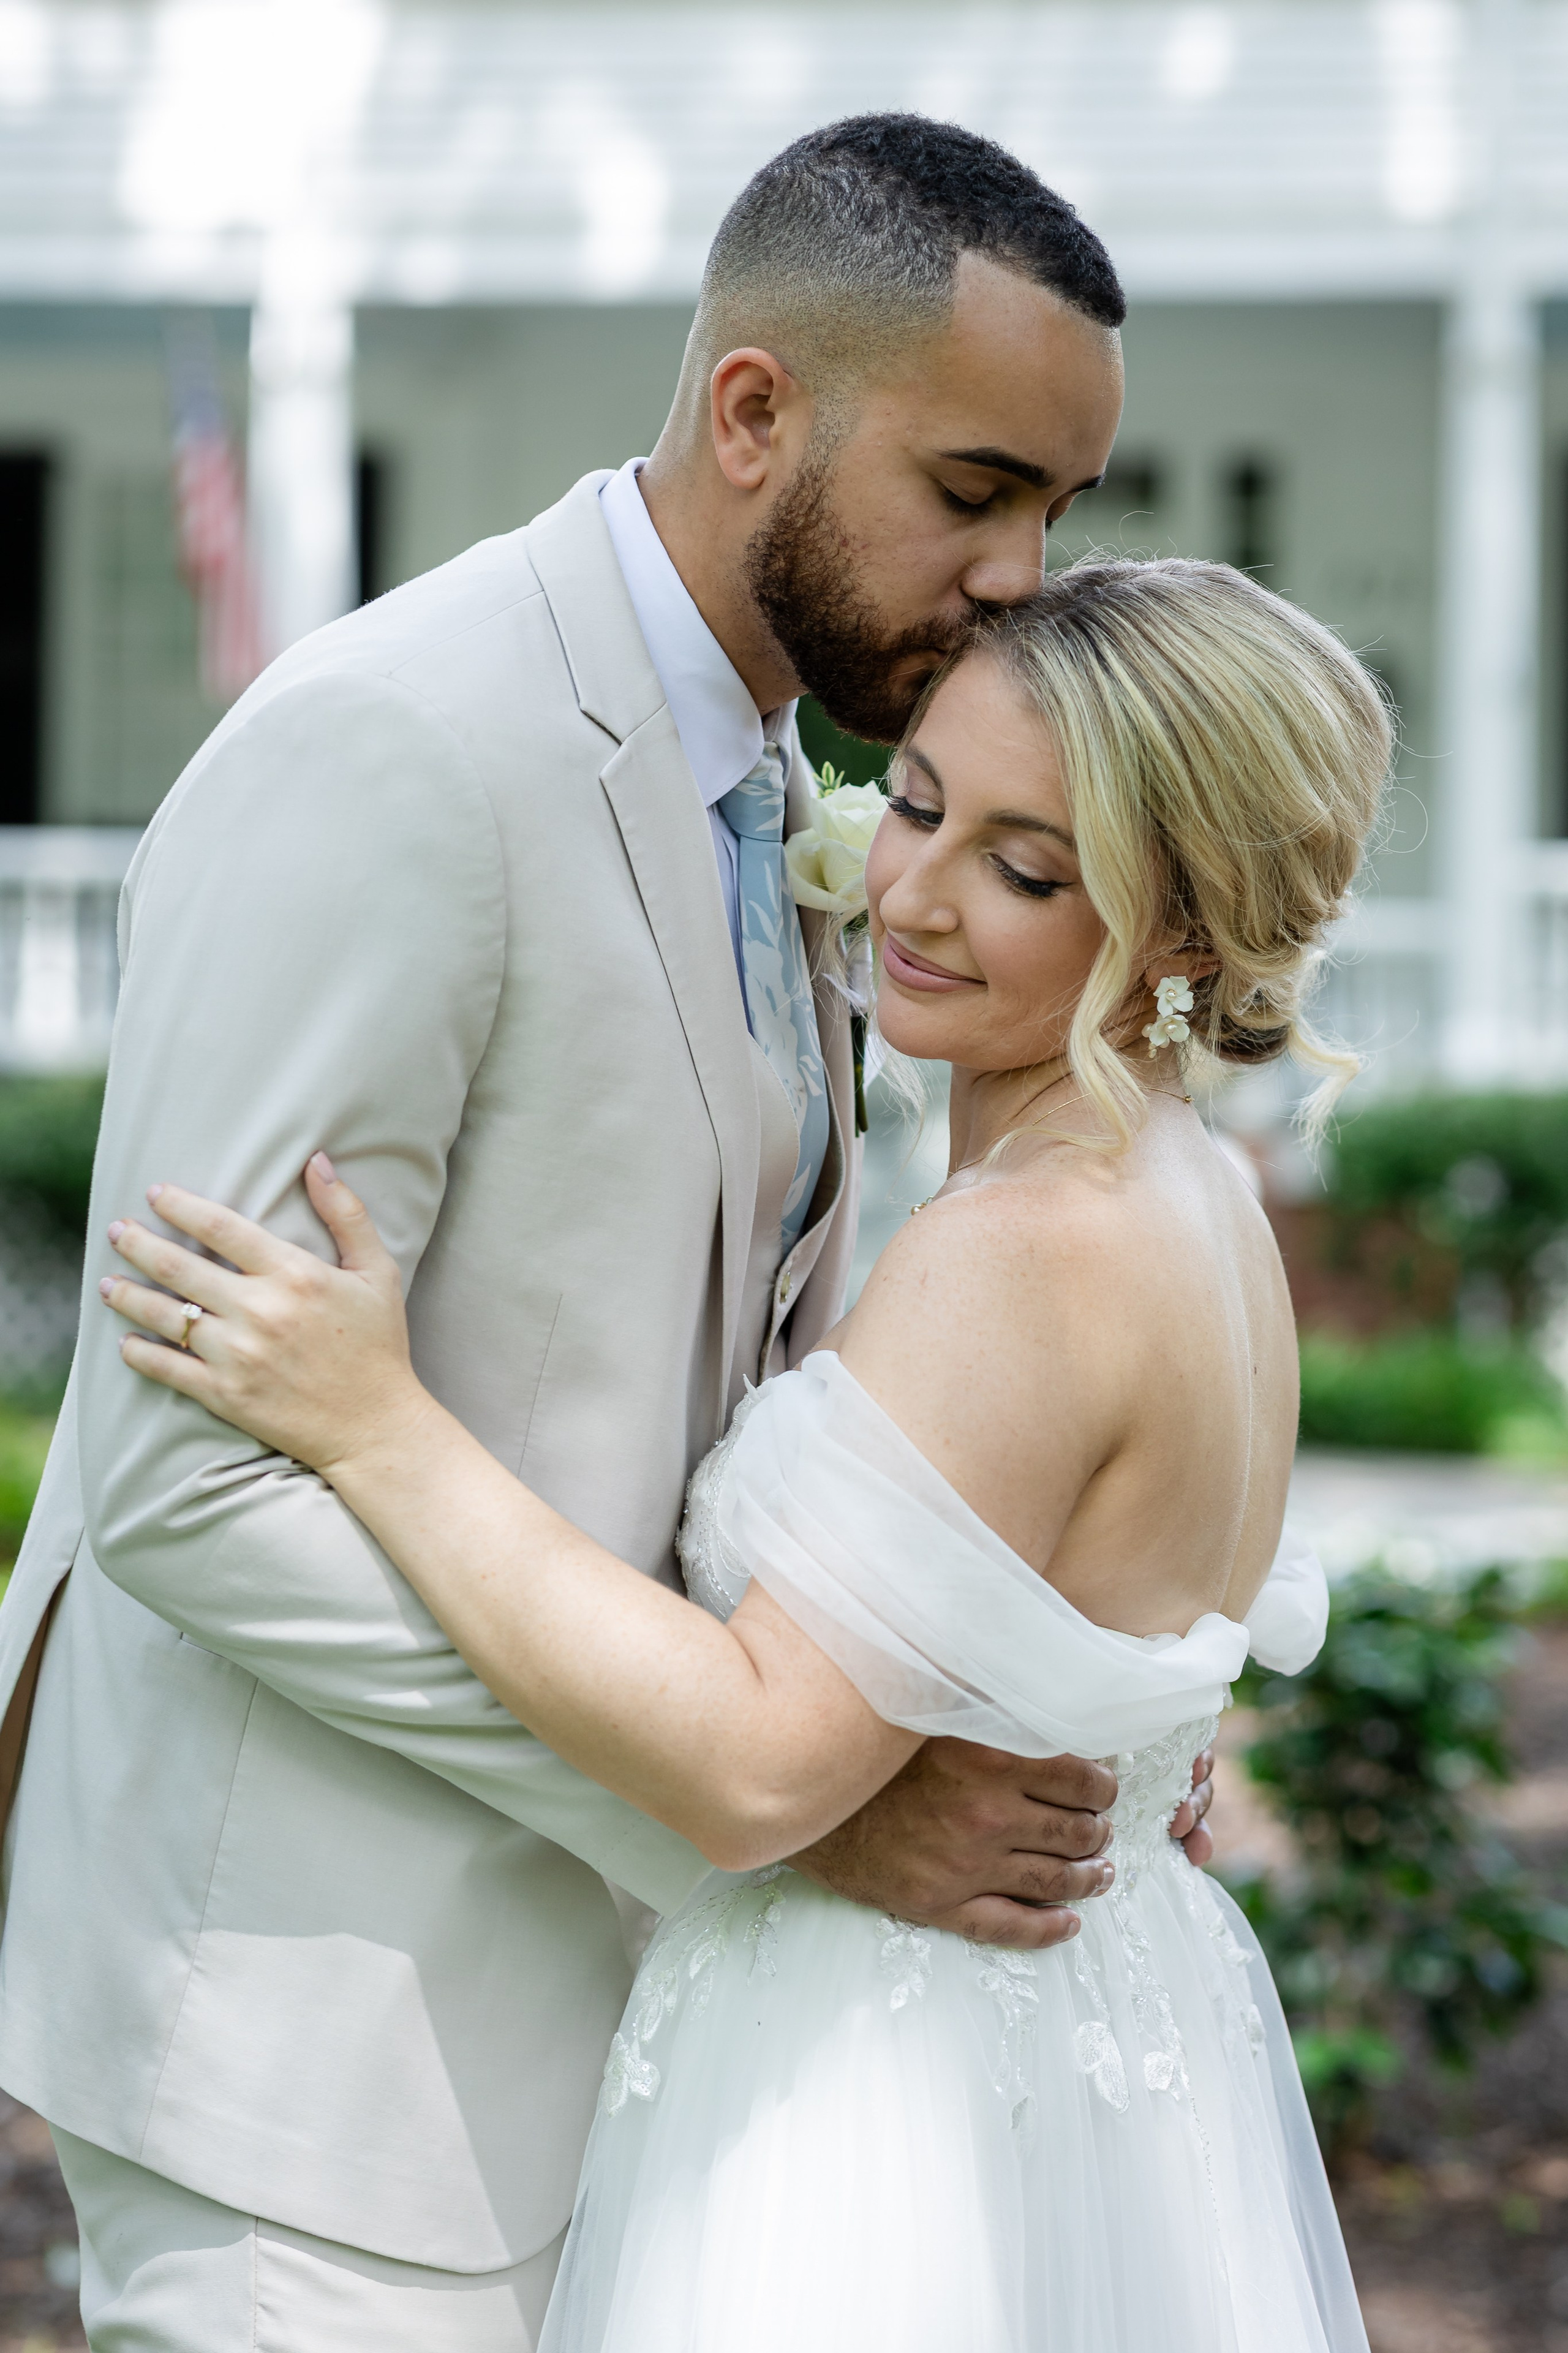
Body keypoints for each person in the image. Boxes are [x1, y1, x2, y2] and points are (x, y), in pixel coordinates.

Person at [0, 116, 1227, 2352]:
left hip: (625, 2058)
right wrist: (777, 1808)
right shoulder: (397, 749)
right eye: (977, 492)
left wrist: (1029, 1686)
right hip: (320, 2079)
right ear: (756, 412)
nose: (1030, 576)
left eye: (1063, 509)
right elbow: (187, 1479)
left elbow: (744, 1390)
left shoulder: (802, 794)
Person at [100, 550, 1388, 2349]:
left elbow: (759, 1768)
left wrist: (377, 1421)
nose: (912, 894)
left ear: (1178, 930)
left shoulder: (1024, 1246)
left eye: (1022, 869)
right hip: (1114, 2047)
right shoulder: (1209, 1203)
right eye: (918, 804)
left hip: (886, 2093)